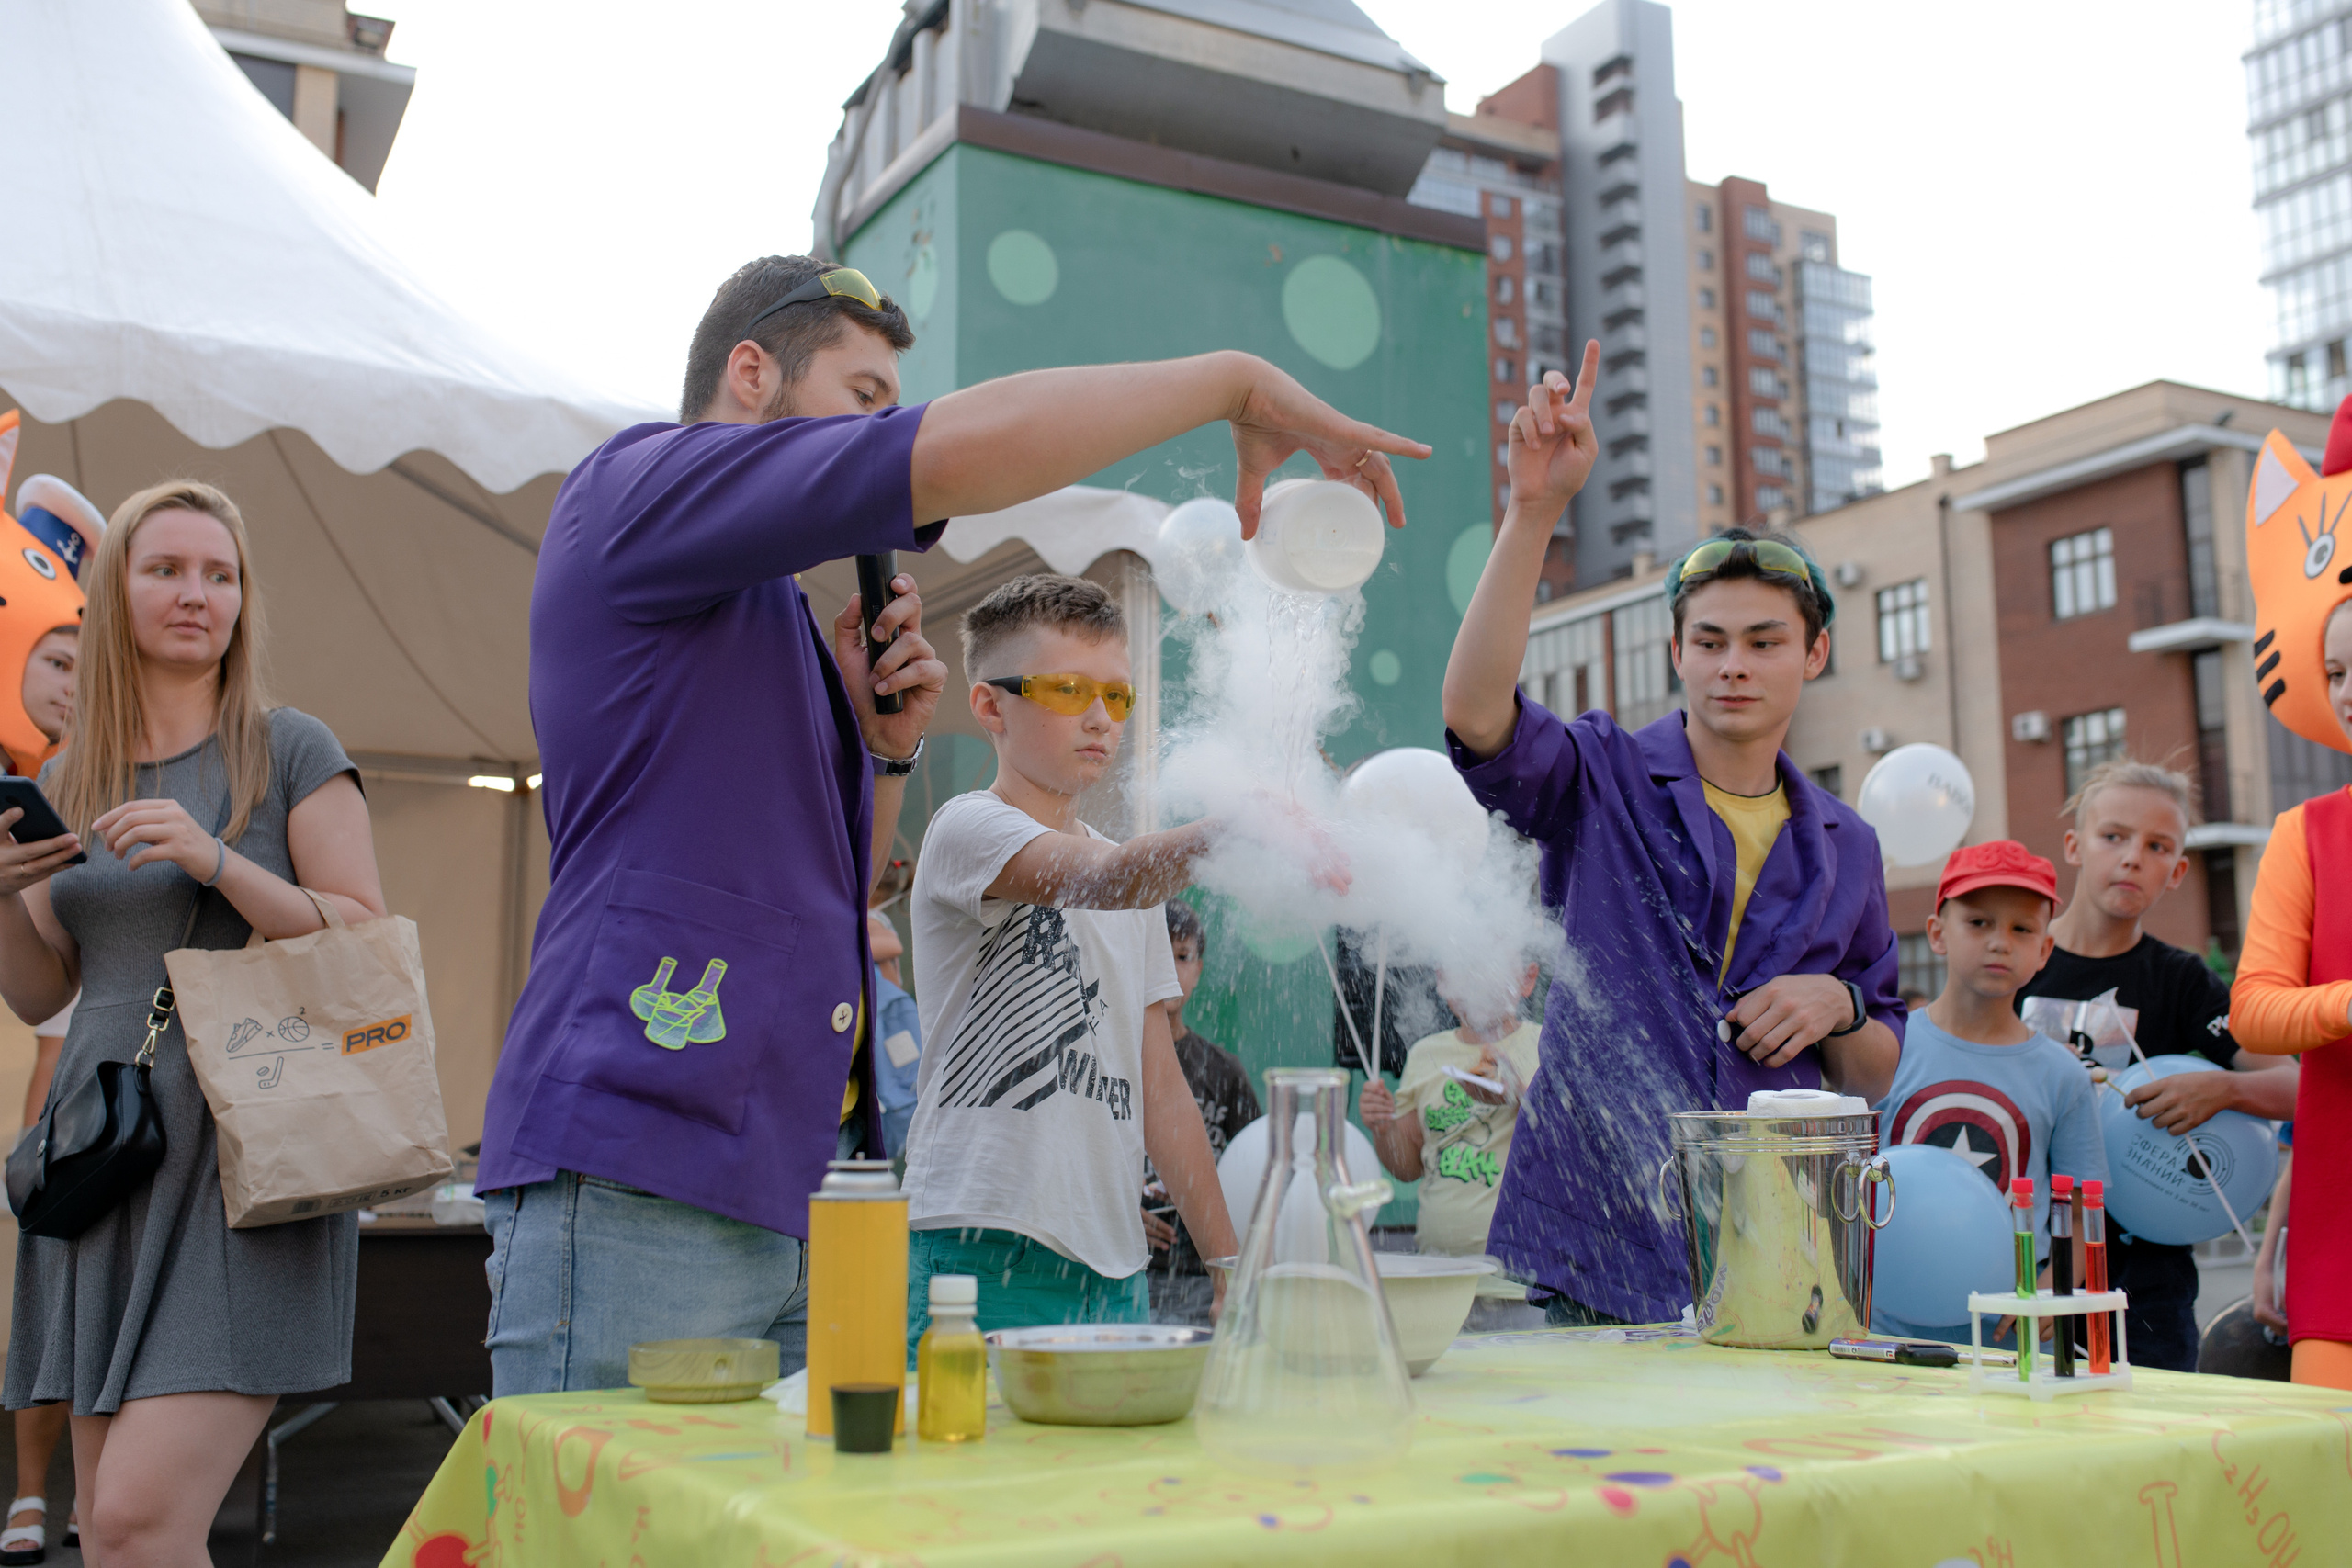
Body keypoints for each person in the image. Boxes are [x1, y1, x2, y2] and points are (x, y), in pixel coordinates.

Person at [473, 254, 1428, 1394]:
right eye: (864, 398)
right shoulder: (637, 489)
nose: (881, 437)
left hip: (792, 1186)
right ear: (749, 374)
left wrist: (884, 754)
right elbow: (959, 452)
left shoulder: (772, 607)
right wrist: (1228, 383)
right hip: (641, 1168)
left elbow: (839, 896)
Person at [1441, 346, 1902, 1327]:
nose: (1733, 665)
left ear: (1813, 653)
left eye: (1764, 641)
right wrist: (1533, 513)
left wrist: (1840, 1004)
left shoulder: (1847, 845)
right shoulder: (1600, 774)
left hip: (1784, 1249)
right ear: (1676, 653)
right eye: (1710, 641)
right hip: (1600, 1237)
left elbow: (1878, 1067)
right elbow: (1477, 715)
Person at [0, 480, 384, 1562]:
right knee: (114, 1538)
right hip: (104, 1159)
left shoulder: (288, 746)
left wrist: (214, 858)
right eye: (165, 569)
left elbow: (361, 936)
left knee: (135, 1519)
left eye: (220, 575)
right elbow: (40, 991)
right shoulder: (69, 777)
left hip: (246, 1157)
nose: (194, 594)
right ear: (113, 592)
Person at [901, 577, 1255, 1348]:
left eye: (1118, 697)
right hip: (979, 1243)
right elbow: (1101, 878)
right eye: (1068, 689)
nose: (1100, 717)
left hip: (1114, 1265)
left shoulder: (1130, 882)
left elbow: (1163, 1093)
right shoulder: (968, 827)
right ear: (991, 707)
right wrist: (1240, 827)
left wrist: (1228, 1263)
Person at [2015, 759, 2298, 1372]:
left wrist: (2223, 1089)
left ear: (2178, 871)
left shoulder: (2182, 979)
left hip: (2145, 1289)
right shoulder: (2014, 959)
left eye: (2157, 845)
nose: (2132, 857)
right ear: (2074, 845)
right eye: (2112, 836)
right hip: (2016, 1271)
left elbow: (2301, 1086)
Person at [1874, 841, 2107, 1343]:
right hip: (1884, 1325)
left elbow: (2086, 1203)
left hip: (2011, 1334)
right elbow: (1844, 1185)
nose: (2000, 942)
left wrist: (2056, 1289)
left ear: (2045, 949)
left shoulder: (2063, 1075)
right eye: (1979, 923)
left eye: (2022, 929)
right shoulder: (1885, 1049)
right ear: (1937, 933)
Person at [2232, 594, 2352, 1389]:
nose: (2346, 690)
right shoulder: (2303, 834)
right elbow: (2255, 1010)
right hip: (2340, 1232)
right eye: (2336, 670)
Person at [6, 623, 75, 1565]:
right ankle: (29, 1492)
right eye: (55, 661)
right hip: (61, 1112)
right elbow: (43, 1004)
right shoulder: (40, 800)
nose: (70, 681)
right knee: (47, 1314)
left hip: (159, 1102)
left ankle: (97, 1501)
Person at [1359, 963, 1541, 1258]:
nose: (1476, 977)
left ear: (1527, 979)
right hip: (1437, 1268)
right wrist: (1383, 1128)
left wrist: (1518, 1095)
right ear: (1442, 980)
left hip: (1524, 1276)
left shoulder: (1544, 1047)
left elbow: (1571, 1144)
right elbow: (1407, 1168)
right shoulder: (1424, 1054)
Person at [1142, 899, 1259, 1325]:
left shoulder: (1224, 1071)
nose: (1170, 970)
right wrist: (1120, 1209)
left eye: (1182, 957)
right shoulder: (1109, 1061)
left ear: (1199, 969)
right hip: (1128, 1269)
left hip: (1202, 1276)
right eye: (1159, 955)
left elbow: (1257, 1168)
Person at [868, 909, 922, 1159]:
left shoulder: (871, 918)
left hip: (890, 1024)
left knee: (905, 1089)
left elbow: (893, 946)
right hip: (881, 1025)